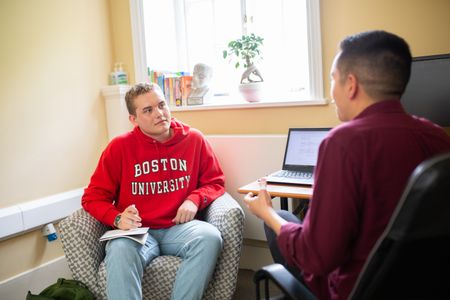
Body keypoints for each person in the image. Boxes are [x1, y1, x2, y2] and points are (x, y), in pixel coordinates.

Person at [244, 30, 450, 300]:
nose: (331, 91)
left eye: (333, 79)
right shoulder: (437, 137)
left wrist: (266, 213)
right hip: (424, 284)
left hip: (356, 290)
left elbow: (316, 258)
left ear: (351, 84)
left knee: (281, 219)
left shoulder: (342, 143)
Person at [82, 82, 225, 300]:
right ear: (134, 119)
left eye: (161, 105)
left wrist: (194, 199)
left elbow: (215, 182)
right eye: (148, 110)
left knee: (210, 236)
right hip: (137, 232)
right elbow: (92, 198)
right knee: (119, 248)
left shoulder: (194, 139)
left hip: (179, 229)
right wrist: (117, 217)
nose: (159, 114)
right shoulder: (119, 147)